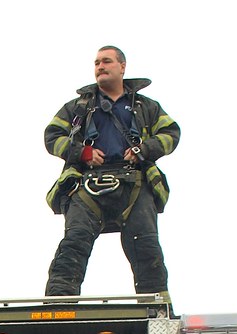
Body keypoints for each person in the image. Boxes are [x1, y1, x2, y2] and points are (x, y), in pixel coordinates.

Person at [45, 45, 179, 300]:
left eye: (106, 61)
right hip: (86, 186)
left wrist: (144, 149)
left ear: (122, 67)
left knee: (147, 248)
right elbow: (52, 136)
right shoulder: (77, 108)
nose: (100, 67)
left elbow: (171, 133)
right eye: (96, 63)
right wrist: (81, 153)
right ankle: (57, 308)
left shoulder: (147, 107)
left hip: (135, 184)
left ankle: (159, 311)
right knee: (73, 244)